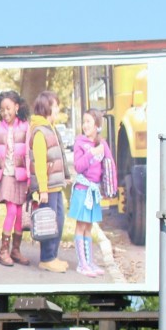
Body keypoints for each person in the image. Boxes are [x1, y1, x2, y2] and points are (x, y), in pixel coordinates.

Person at [28, 90, 70, 273]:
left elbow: (58, 154)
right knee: (49, 221)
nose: (58, 109)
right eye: (55, 106)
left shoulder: (49, 128)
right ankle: (46, 258)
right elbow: (39, 163)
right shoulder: (40, 132)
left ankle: (52, 255)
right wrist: (43, 189)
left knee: (58, 219)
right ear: (47, 107)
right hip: (47, 188)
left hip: (55, 185)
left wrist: (65, 176)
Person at [0, 91, 31, 267]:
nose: (5, 112)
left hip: (21, 175)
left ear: (16, 107)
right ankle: (3, 251)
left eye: (8, 108)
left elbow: (29, 154)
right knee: (12, 211)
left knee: (21, 215)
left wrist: (30, 177)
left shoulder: (25, 126)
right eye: (2, 110)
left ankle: (16, 250)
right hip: (5, 175)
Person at [69, 109, 111, 277]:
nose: (85, 125)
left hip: (94, 191)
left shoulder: (102, 144)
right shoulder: (80, 142)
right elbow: (78, 166)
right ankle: (82, 263)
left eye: (89, 122)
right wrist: (91, 154)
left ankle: (89, 261)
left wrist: (109, 187)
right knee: (81, 225)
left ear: (98, 126)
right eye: (84, 121)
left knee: (89, 226)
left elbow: (108, 164)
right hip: (82, 189)